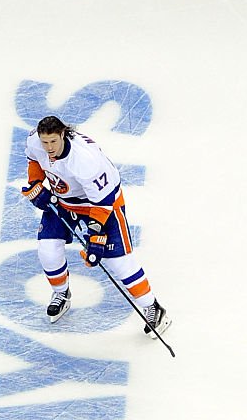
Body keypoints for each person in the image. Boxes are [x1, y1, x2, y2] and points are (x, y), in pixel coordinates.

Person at [22, 115, 171, 336]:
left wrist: (95, 237)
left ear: (63, 134)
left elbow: (103, 203)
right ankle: (61, 293)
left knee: (119, 263)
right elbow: (34, 160)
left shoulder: (85, 160)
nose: (49, 147)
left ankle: (153, 307)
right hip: (63, 201)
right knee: (47, 251)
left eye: (53, 141)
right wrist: (35, 184)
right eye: (45, 142)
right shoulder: (36, 141)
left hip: (101, 204)